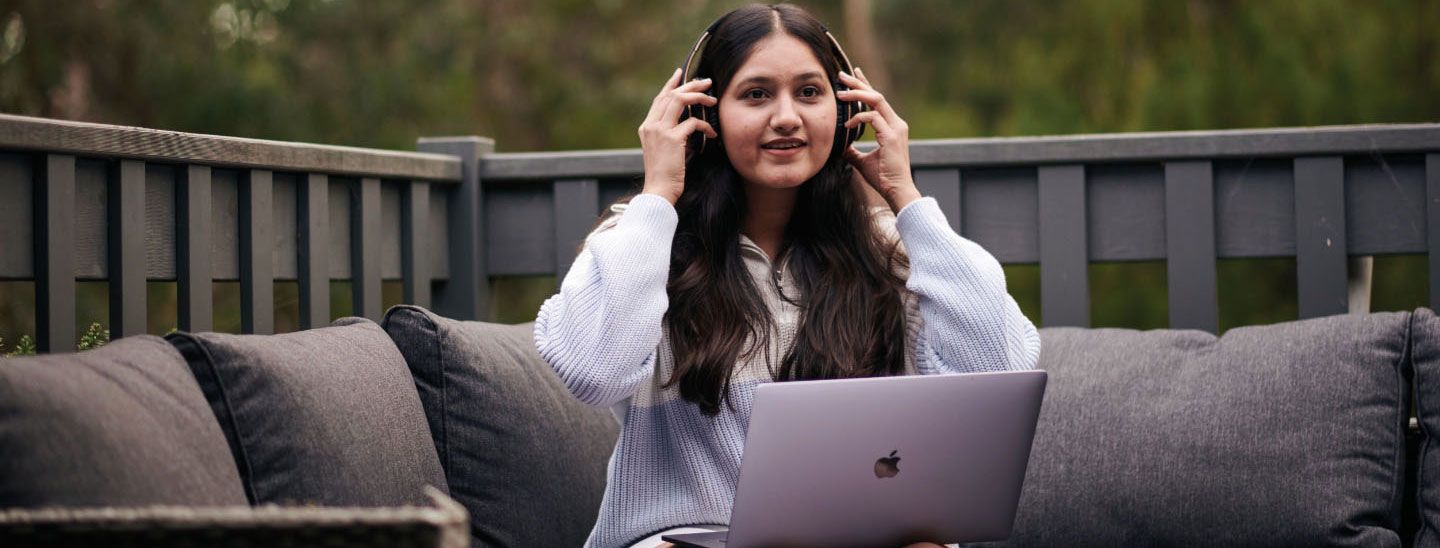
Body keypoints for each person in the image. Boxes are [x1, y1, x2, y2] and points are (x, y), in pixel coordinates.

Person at [533, 4, 1041, 547]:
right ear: (704, 117)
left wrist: (906, 200)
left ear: (847, 112)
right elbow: (591, 372)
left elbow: (998, 367)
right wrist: (657, 196)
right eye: (755, 94)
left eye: (809, 92)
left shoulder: (888, 250)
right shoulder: (642, 243)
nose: (786, 117)